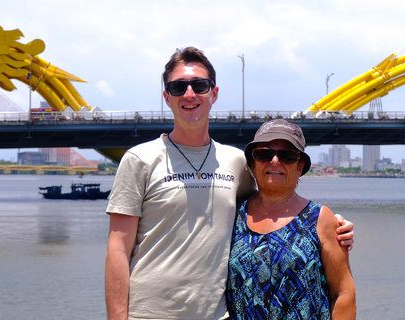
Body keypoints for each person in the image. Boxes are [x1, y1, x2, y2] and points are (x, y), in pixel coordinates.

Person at [105, 47, 354, 320]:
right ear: (167, 97)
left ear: (214, 93)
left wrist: (332, 226)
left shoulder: (235, 162)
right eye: (178, 87)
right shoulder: (139, 159)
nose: (189, 94)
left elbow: (273, 200)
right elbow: (118, 248)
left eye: (200, 85)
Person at [226, 119, 356, 319]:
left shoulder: (320, 218)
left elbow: (343, 293)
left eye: (287, 155)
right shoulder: (232, 214)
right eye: (264, 153)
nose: (275, 160)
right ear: (252, 163)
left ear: (300, 166)